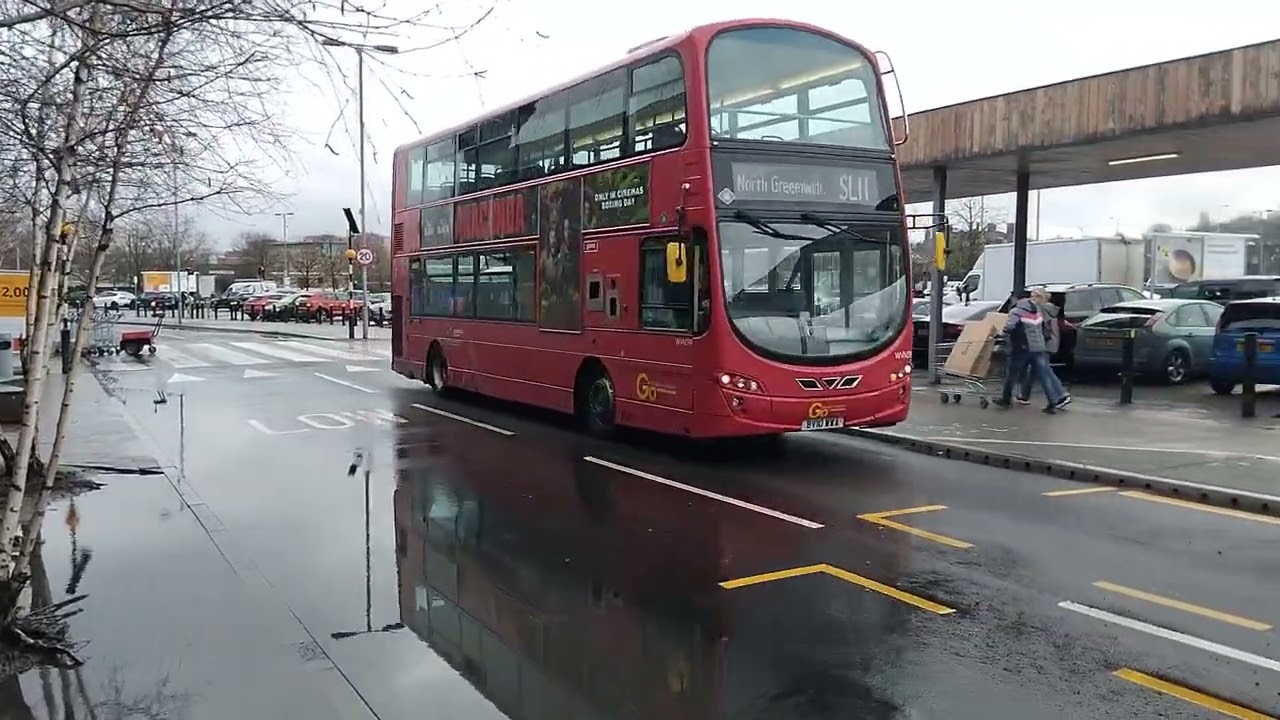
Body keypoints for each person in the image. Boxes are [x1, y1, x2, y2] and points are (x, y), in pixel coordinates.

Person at [994, 291, 1069, 412]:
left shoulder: (1017, 311)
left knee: (1012, 374)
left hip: (1023, 347)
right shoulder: (1036, 310)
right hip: (1039, 347)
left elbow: (1009, 327)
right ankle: (1052, 402)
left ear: (1016, 299)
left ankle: (1006, 399)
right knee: (1044, 375)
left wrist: (999, 334)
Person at [1017, 287, 1071, 407]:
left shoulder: (1040, 309)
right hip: (1051, 342)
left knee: (1045, 370)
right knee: (1035, 369)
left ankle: (1061, 395)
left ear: (1041, 297)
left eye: (1034, 296)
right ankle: (1024, 396)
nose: (1031, 298)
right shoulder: (1052, 309)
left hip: (1042, 343)